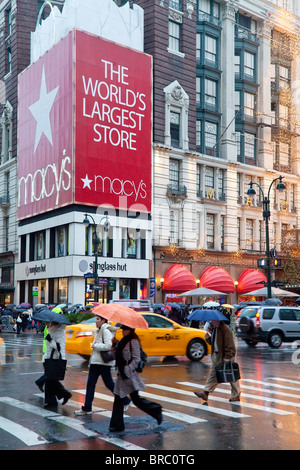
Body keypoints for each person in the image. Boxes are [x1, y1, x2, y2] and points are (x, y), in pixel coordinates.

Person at [109, 325, 163, 432]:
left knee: (135, 400)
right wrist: (114, 345)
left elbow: (137, 359)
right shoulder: (123, 341)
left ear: (130, 330)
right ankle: (116, 425)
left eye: (124, 330)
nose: (123, 331)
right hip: (122, 375)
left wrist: (127, 369)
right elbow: (116, 356)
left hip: (129, 376)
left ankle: (156, 409)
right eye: (122, 329)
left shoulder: (133, 341)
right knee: (119, 399)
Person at [75, 315, 130, 415]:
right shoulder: (99, 330)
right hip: (96, 362)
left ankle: (125, 400)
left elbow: (109, 346)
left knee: (109, 384)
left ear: (103, 320)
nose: (96, 321)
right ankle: (87, 408)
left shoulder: (105, 330)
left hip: (103, 363)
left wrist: (95, 345)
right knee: (91, 385)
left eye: (98, 319)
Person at [194, 320, 240, 402]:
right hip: (217, 355)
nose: (211, 322)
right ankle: (205, 392)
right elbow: (215, 343)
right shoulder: (215, 329)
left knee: (231, 375)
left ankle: (236, 395)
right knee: (214, 374)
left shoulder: (225, 329)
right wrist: (208, 339)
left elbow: (229, 344)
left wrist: (228, 356)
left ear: (218, 320)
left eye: (213, 320)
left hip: (225, 355)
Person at [43, 321, 72, 408]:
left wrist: (50, 340)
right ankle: (62, 395)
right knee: (51, 381)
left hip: (55, 360)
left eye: (47, 323)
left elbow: (60, 347)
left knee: (49, 381)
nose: (46, 324)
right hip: (49, 359)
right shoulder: (51, 331)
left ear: (53, 323)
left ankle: (53, 401)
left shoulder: (59, 333)